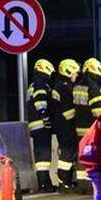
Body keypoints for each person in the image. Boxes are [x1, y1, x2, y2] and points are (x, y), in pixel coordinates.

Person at [73, 58, 101, 192]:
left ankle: (82, 185)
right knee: (91, 156)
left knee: (81, 155)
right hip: (90, 129)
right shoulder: (93, 87)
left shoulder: (78, 85)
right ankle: (90, 185)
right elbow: (97, 112)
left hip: (78, 127)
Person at [26, 58, 57, 192]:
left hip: (34, 123)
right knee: (44, 154)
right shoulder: (40, 83)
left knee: (41, 155)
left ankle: (44, 182)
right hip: (40, 123)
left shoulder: (33, 84)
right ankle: (44, 183)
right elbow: (40, 101)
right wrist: (45, 116)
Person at [52, 59, 81, 190]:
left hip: (61, 124)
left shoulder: (60, 85)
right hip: (65, 125)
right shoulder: (64, 87)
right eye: (74, 74)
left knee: (69, 153)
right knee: (67, 154)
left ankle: (67, 181)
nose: (76, 76)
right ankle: (64, 182)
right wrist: (81, 115)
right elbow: (67, 111)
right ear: (68, 72)